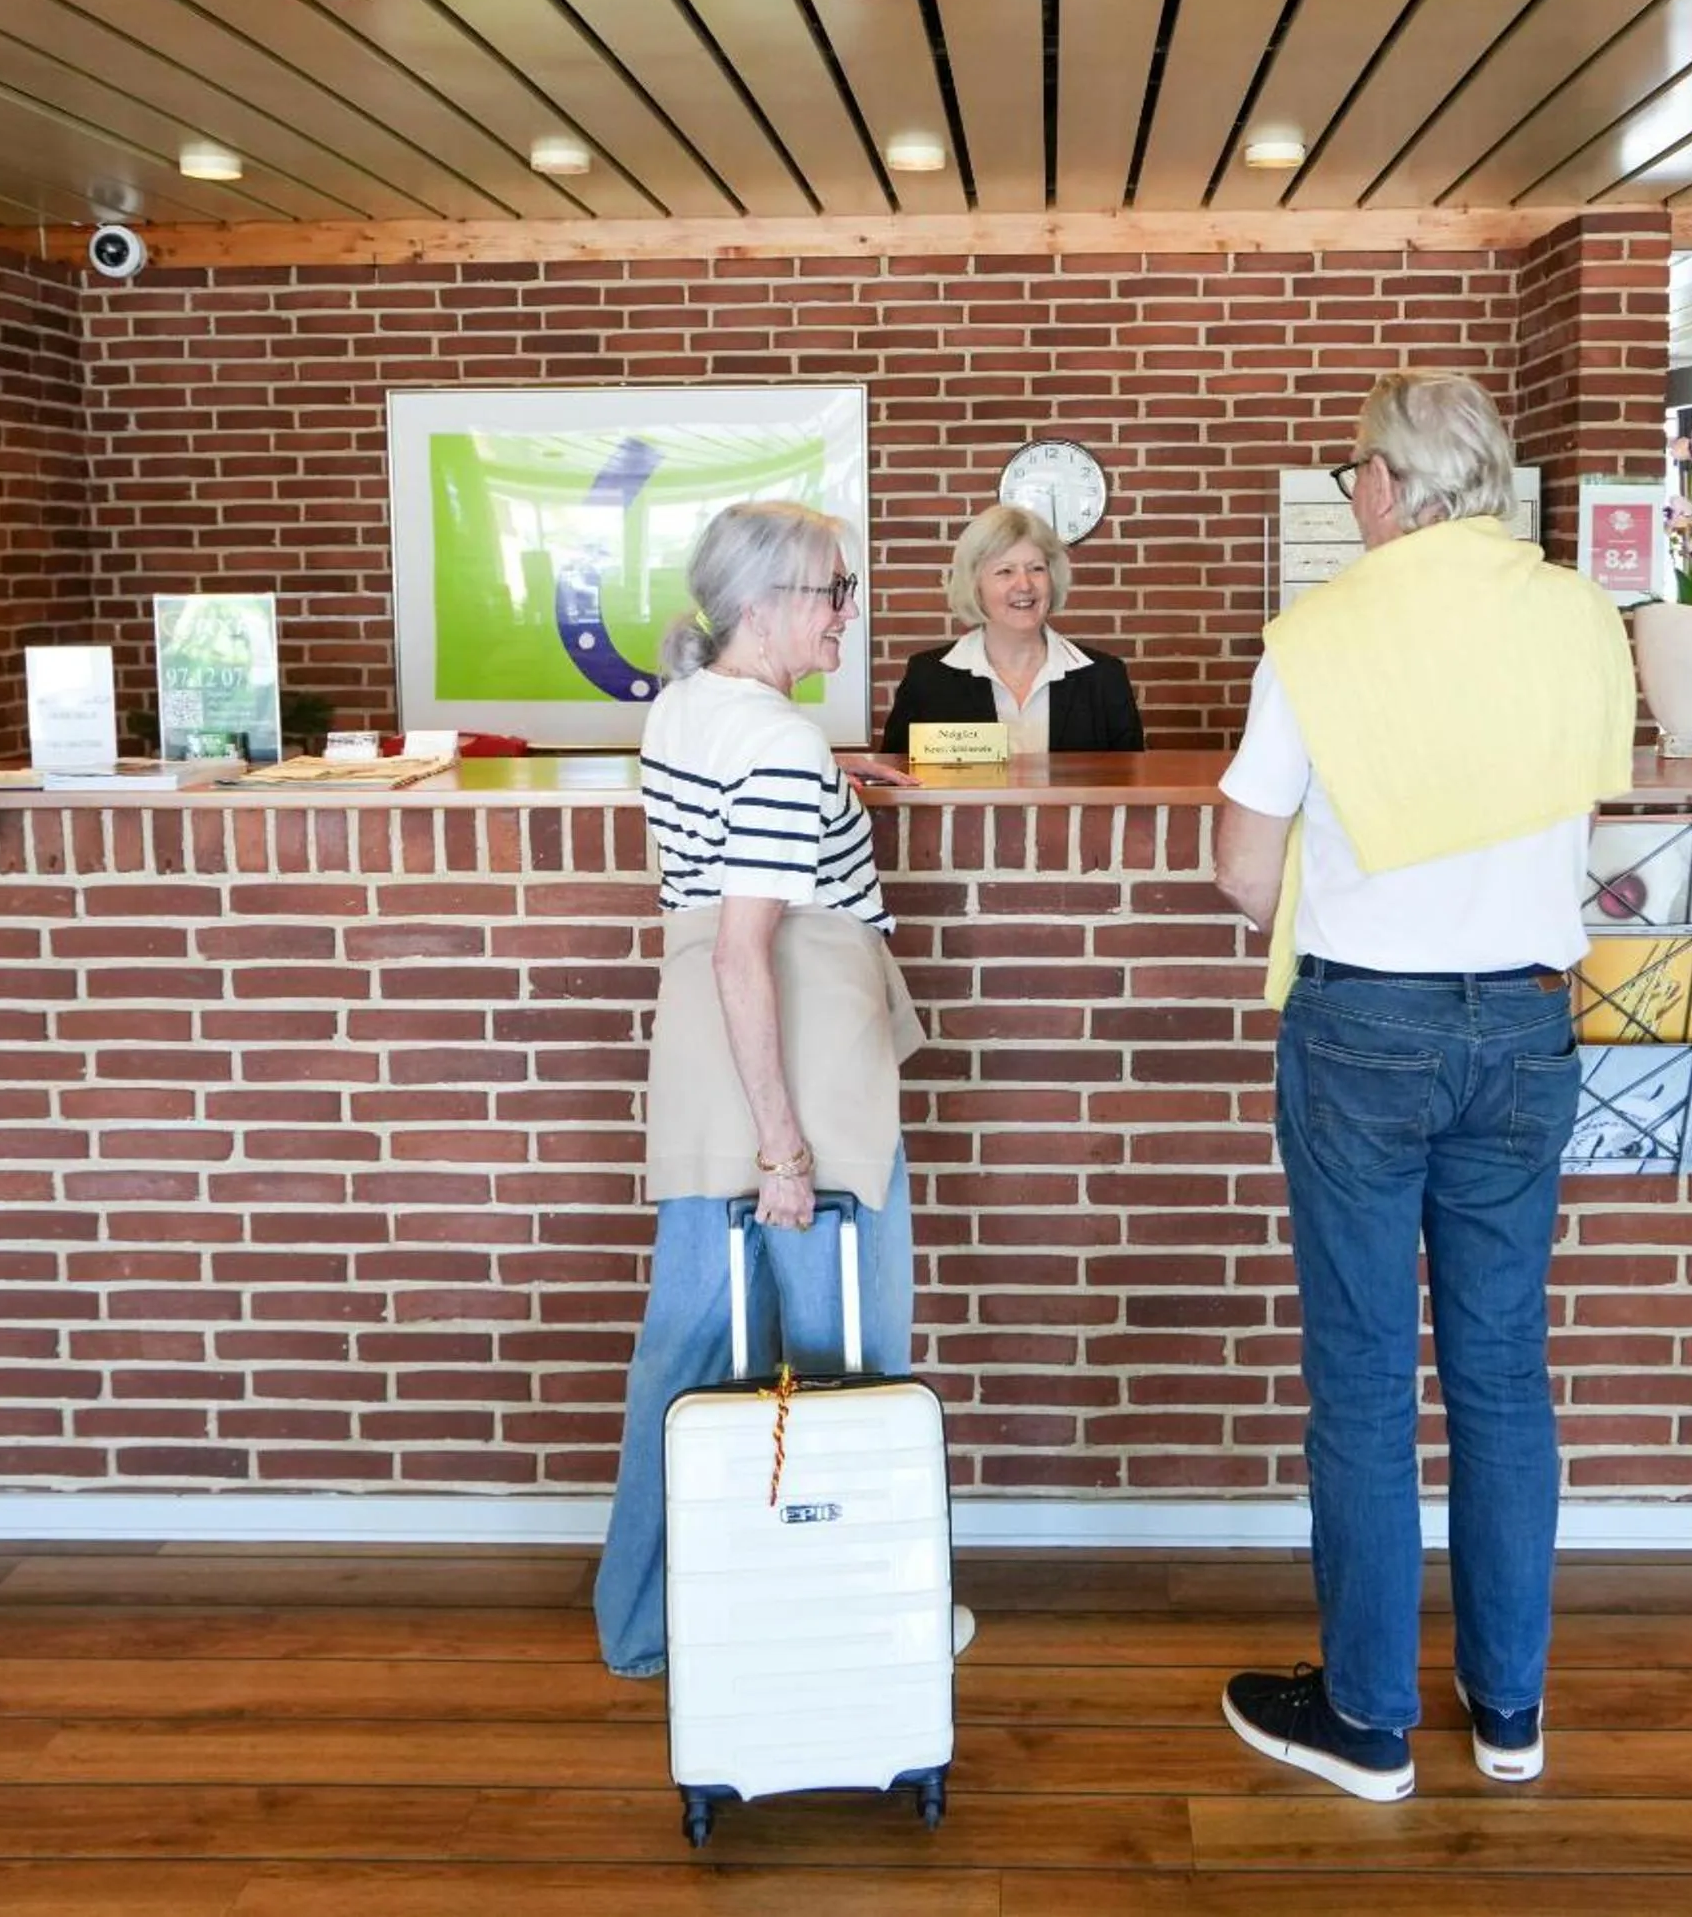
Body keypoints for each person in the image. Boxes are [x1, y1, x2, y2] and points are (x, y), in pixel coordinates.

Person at [1209, 370, 1636, 1803]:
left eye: (1351, 475)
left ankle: (1370, 1716)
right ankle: (1509, 1707)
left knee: (1365, 1378)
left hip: (1365, 1033)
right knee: (1505, 1373)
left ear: (1392, 484)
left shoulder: (1322, 634)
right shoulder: (1581, 612)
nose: (1350, 498)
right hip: (1524, 1027)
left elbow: (1240, 862)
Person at [593, 499, 963, 1677]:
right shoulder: (777, 742)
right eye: (833, 591)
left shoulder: (688, 710)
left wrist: (825, 795)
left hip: (707, 1059)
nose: (848, 612)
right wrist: (787, 1152)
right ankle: (861, 1609)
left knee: (686, 1352)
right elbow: (757, 946)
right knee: (847, 1350)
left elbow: (719, 884)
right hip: (794, 1070)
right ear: (762, 607)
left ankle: (643, 1622)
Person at [880, 505, 1145, 755]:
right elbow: (894, 785)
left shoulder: (1104, 678)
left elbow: (1133, 790)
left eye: (1036, 569)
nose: (1024, 585)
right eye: (1005, 571)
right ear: (975, 585)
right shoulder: (927, 678)